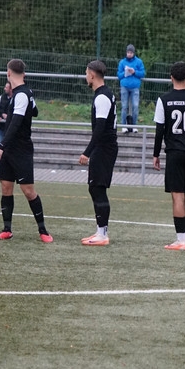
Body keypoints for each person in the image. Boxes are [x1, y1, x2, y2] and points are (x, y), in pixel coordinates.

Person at [0, 59, 52, 242]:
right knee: (6, 187)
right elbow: (35, 111)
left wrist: (1, 146)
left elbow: (16, 123)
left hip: (21, 149)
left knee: (28, 190)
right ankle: (7, 229)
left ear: (9, 73)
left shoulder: (22, 94)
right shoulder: (22, 93)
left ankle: (43, 231)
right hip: (9, 150)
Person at [152, 61, 185, 251]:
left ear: (171, 78)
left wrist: (156, 154)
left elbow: (160, 130)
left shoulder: (164, 100)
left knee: (177, 196)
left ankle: (181, 239)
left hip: (174, 153)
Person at [79, 60, 118, 246]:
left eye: (86, 73)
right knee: (95, 187)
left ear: (92, 75)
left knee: (97, 188)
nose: (86, 76)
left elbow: (100, 128)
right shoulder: (104, 94)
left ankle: (102, 235)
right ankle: (100, 231)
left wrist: (87, 152)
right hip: (104, 147)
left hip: (104, 148)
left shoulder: (102, 96)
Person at [116, 44, 145, 133]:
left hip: (135, 87)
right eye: (128, 52)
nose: (129, 54)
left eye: (131, 52)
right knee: (124, 106)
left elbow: (143, 73)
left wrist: (134, 72)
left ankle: (134, 126)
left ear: (133, 53)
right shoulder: (122, 62)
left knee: (135, 106)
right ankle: (123, 126)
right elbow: (119, 75)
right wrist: (125, 73)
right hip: (124, 86)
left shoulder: (138, 62)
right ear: (126, 53)